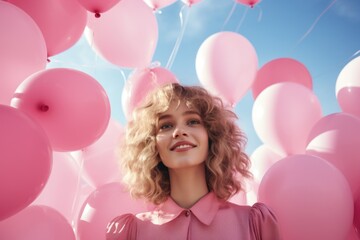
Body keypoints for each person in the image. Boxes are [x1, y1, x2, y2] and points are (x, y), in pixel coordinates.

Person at [106, 83, 281, 240]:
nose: (179, 131)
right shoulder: (129, 233)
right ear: (151, 144)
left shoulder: (255, 223)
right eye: (166, 125)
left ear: (212, 136)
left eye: (192, 121)